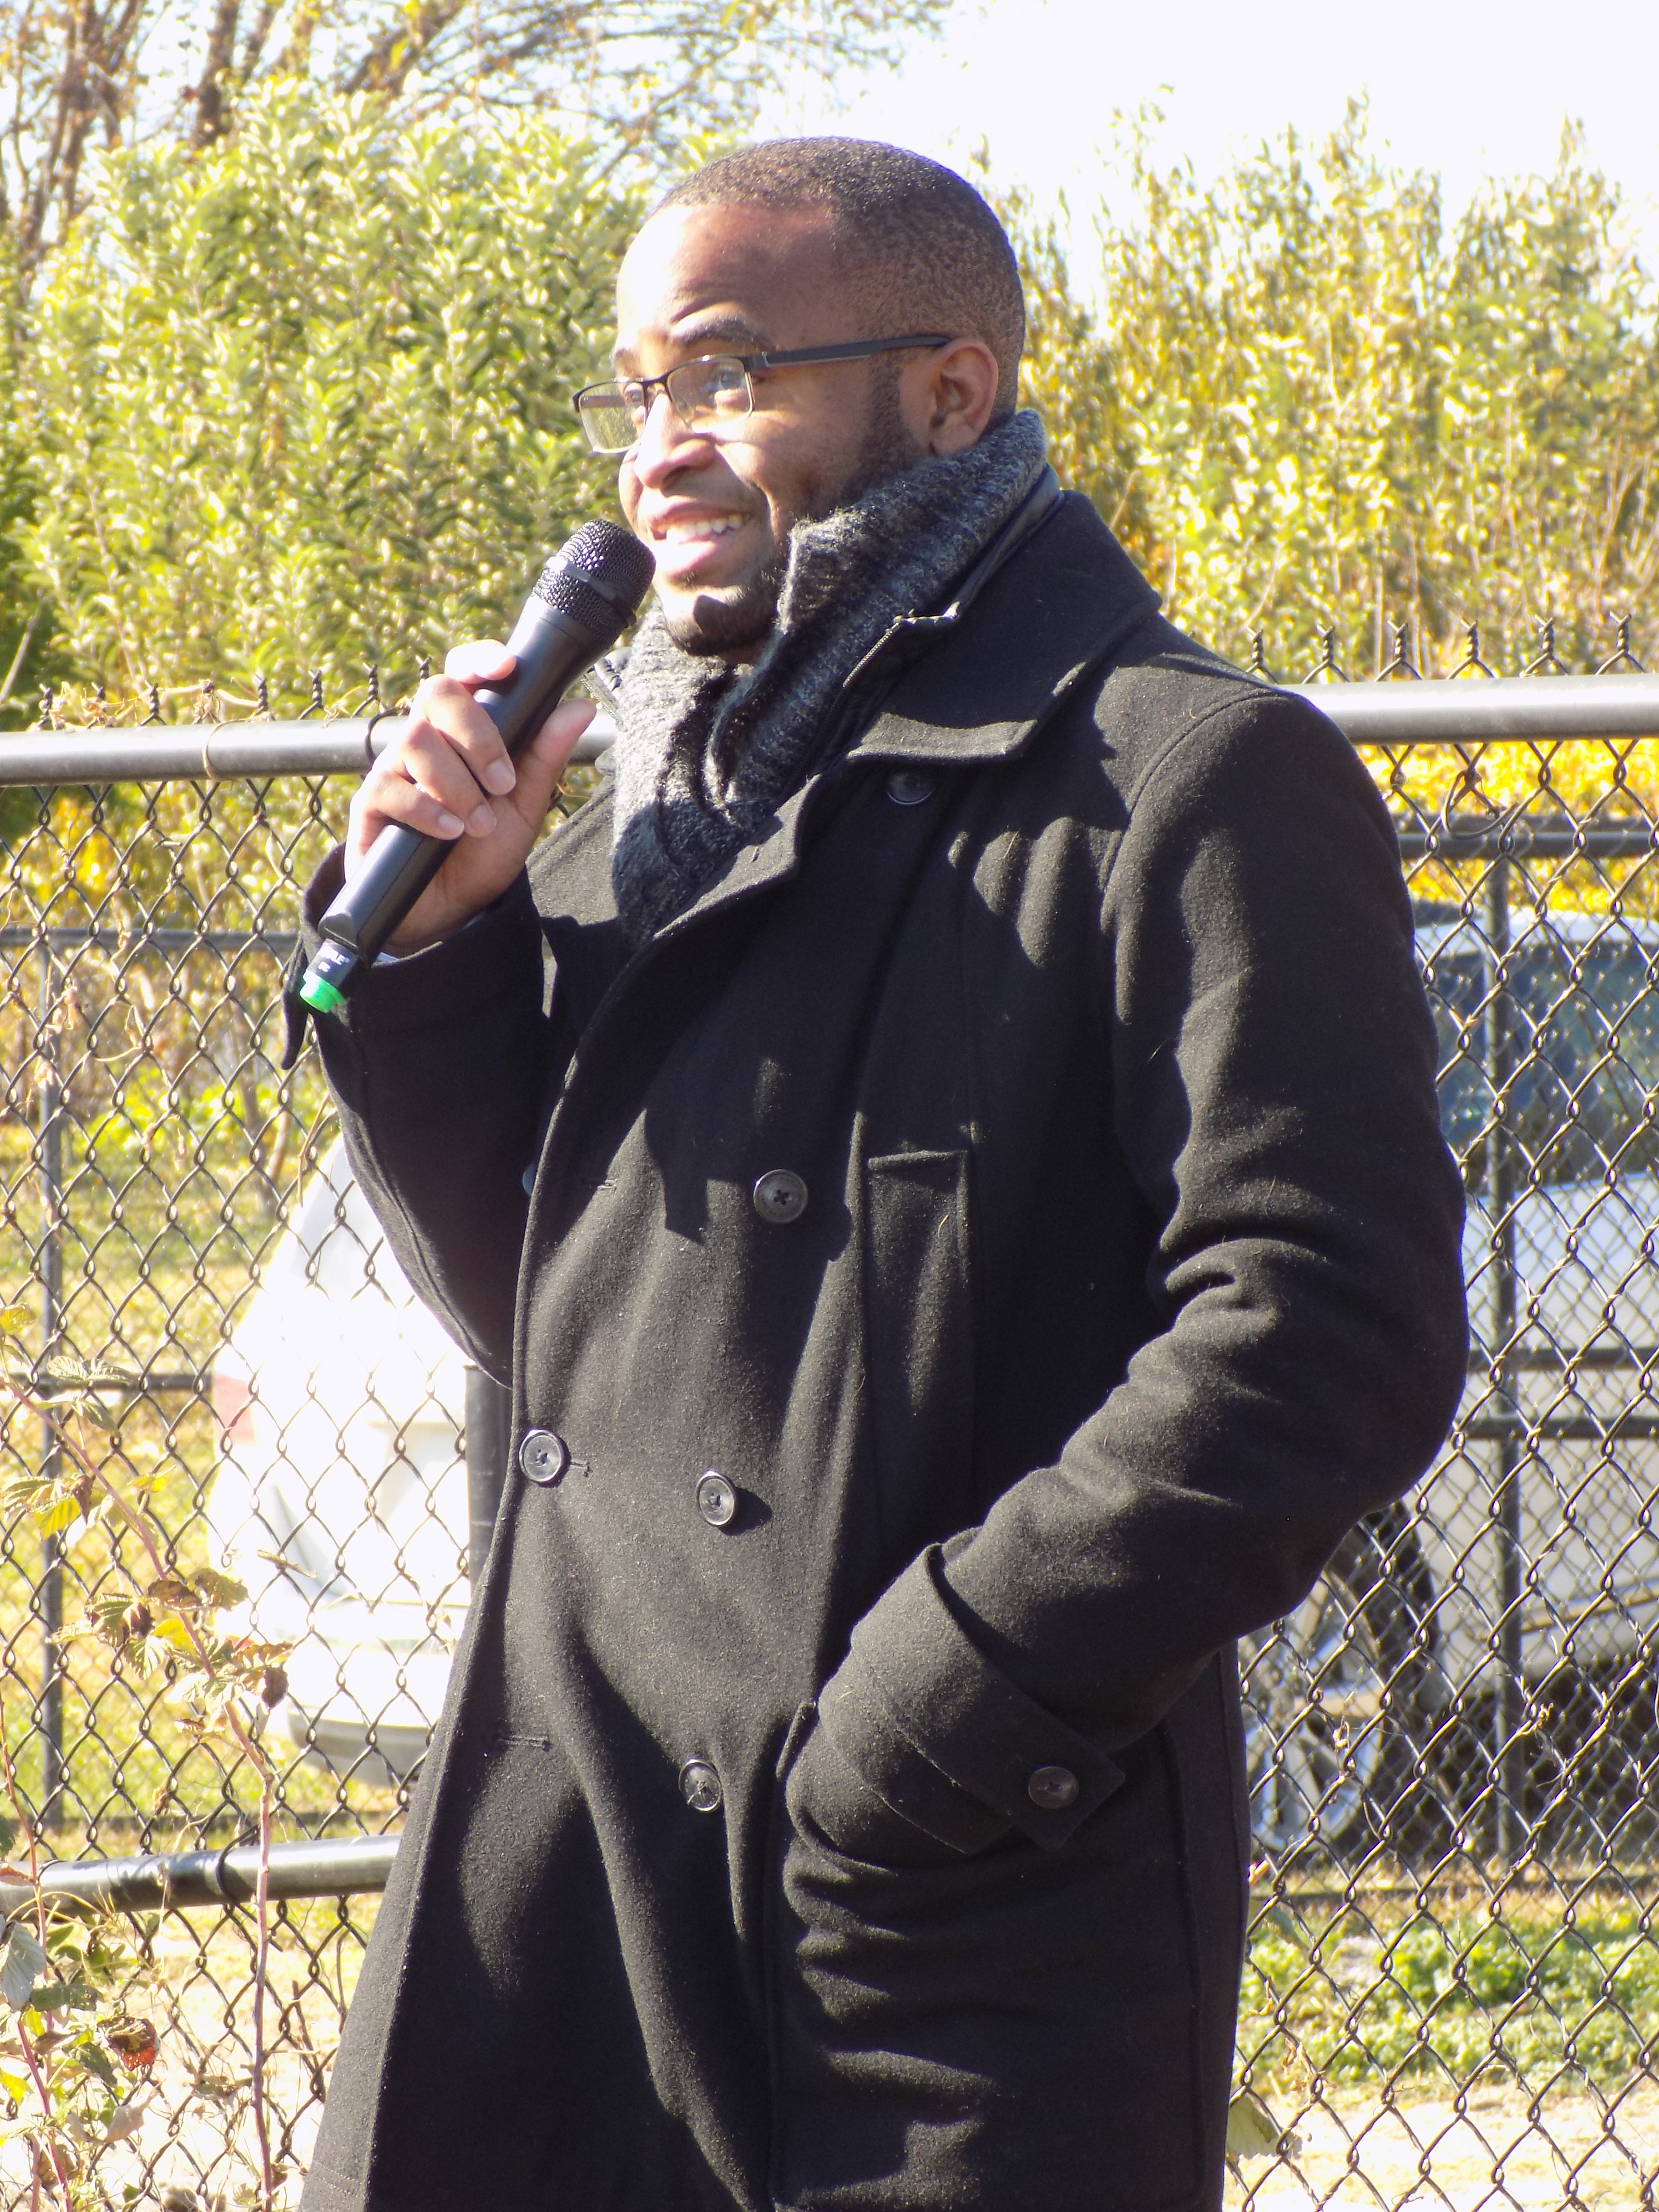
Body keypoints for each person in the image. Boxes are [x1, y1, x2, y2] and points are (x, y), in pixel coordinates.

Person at [290, 138, 1467, 2212]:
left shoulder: (1182, 775)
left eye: (728, 373)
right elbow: (556, 1309)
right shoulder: (640, 796)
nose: (661, 450)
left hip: (938, 1912)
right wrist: (446, 949)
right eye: (637, 390)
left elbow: (1327, 1325)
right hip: (568, 1861)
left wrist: (933, 1720)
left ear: (951, 387)